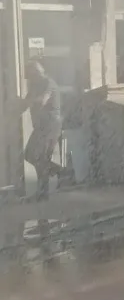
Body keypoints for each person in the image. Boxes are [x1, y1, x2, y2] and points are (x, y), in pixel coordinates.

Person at [18, 59, 72, 199]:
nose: (29, 79)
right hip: (41, 126)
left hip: (50, 125)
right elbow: (24, 105)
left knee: (36, 156)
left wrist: (29, 102)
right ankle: (57, 172)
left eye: (30, 75)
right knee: (32, 155)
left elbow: (42, 100)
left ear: (37, 72)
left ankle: (44, 190)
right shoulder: (34, 85)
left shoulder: (49, 83)